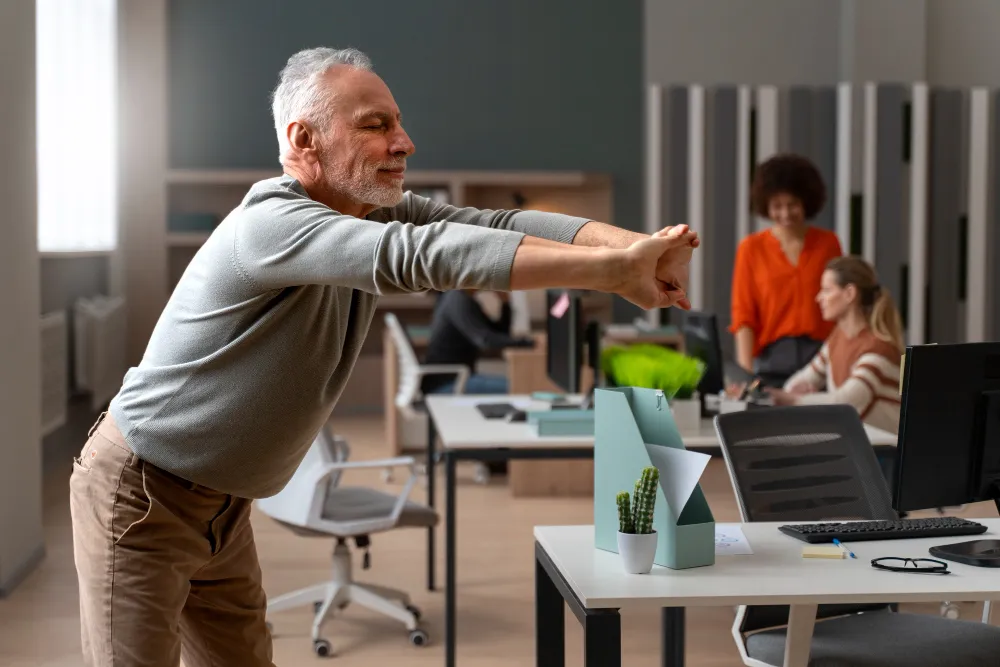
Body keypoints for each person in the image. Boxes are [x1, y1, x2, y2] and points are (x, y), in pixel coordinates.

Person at [68, 46, 699, 667]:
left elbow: (498, 226)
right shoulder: (272, 223)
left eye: (397, 122)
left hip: (222, 506)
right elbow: (422, 257)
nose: (405, 142)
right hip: (143, 493)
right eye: (376, 125)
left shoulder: (365, 208)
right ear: (305, 139)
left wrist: (641, 248)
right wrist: (610, 273)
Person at [729, 153, 843, 387]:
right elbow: (744, 316)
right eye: (777, 206)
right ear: (765, 205)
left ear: (806, 202)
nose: (785, 213)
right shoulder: (751, 248)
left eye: (793, 204)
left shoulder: (828, 244)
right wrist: (746, 376)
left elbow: (841, 306)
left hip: (820, 360)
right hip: (771, 361)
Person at [766, 256, 904, 435]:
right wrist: (801, 395)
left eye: (826, 290)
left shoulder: (879, 349)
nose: (818, 298)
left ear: (849, 294)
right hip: (862, 446)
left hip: (887, 452)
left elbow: (844, 403)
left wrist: (794, 400)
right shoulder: (836, 339)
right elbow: (795, 384)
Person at [420, 290, 534, 396]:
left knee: (523, 384)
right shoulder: (457, 300)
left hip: (459, 378)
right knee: (524, 387)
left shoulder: (464, 299)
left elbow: (498, 333)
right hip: (448, 384)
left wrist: (505, 302)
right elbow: (485, 340)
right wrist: (530, 343)